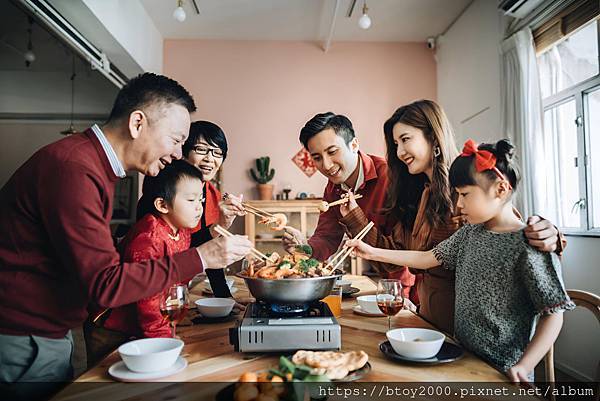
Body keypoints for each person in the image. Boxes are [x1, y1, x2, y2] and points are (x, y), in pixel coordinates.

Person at [0, 73, 252, 392]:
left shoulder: (92, 165)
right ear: (137, 123)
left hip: (49, 331)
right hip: (23, 337)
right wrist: (202, 257)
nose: (178, 154)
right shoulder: (74, 168)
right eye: (176, 140)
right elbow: (105, 284)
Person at [348, 138, 574, 383]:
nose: (459, 204)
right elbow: (427, 258)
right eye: (457, 195)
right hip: (463, 359)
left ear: (500, 189)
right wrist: (371, 252)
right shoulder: (470, 233)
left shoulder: (529, 245)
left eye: (465, 194)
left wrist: (524, 365)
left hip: (503, 372)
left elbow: (554, 313)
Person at [338, 100, 564, 333]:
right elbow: (401, 255)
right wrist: (355, 218)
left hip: (472, 330)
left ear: (433, 137)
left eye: (406, 139)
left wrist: (550, 234)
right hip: (428, 318)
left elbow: (511, 230)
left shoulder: (469, 185)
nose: (399, 152)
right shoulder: (420, 192)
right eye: (396, 144)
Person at [85, 160, 205, 365]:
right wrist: (163, 339)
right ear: (162, 204)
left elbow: (177, 281)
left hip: (146, 326)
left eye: (201, 199)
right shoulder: (148, 237)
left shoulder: (182, 230)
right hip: (114, 329)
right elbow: (146, 296)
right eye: (191, 200)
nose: (199, 207)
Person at [280, 113, 414, 294]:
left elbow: (404, 249)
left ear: (354, 145)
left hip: (411, 286)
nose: (326, 165)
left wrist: (402, 293)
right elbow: (327, 237)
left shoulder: (390, 177)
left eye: (332, 151)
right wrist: (304, 246)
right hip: (385, 284)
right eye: (317, 157)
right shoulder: (333, 189)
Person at [181, 121, 246, 298]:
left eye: (218, 153)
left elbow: (212, 250)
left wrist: (224, 298)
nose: (210, 158)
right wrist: (217, 227)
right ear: (184, 151)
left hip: (181, 286)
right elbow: (176, 249)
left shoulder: (212, 193)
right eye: (201, 149)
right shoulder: (169, 189)